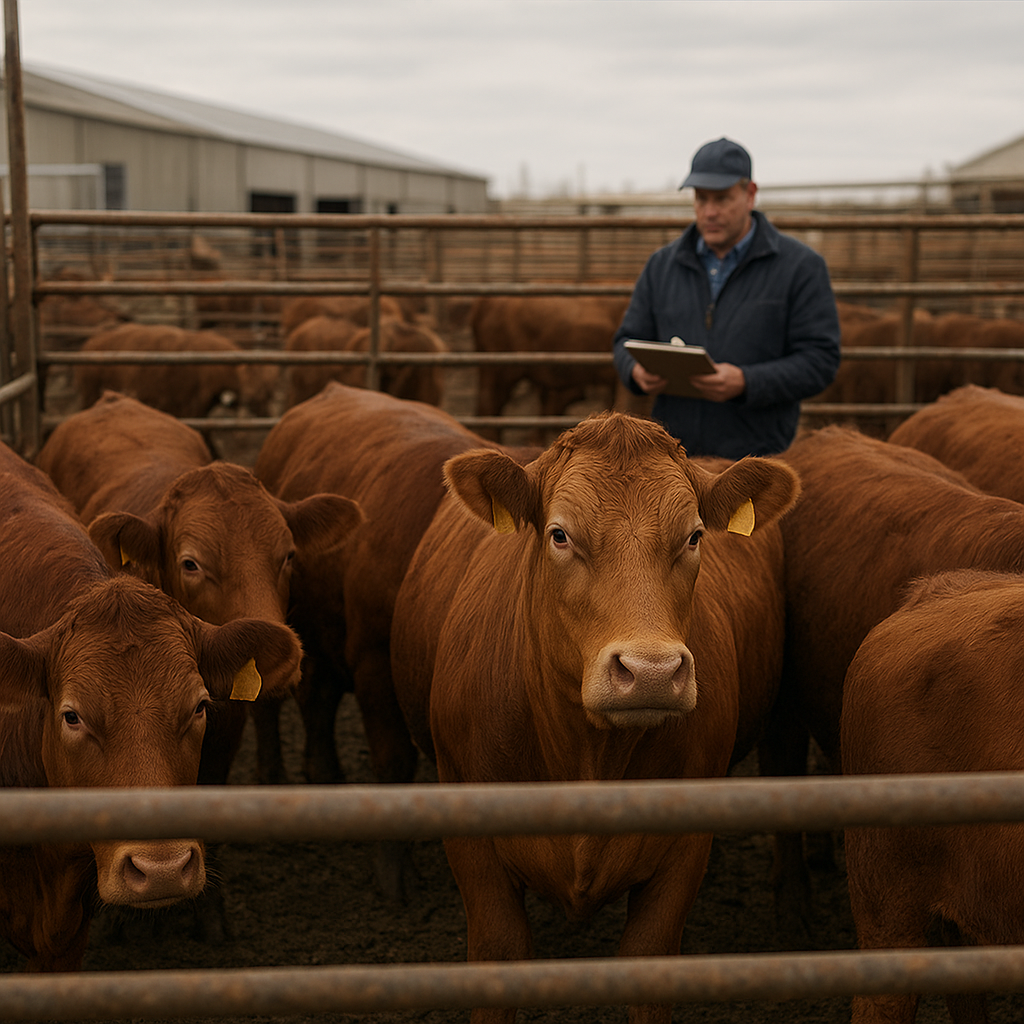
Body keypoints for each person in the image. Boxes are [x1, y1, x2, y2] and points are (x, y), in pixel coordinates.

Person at [612, 137, 841, 459]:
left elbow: (821, 360)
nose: (709, 211)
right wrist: (636, 371)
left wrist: (747, 382)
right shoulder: (662, 265)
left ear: (750, 194)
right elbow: (626, 340)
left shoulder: (799, 267)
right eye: (701, 198)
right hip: (674, 458)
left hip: (758, 457)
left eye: (721, 199)